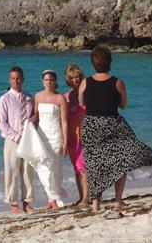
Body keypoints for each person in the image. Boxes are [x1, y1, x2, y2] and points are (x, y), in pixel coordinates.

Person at [79, 46, 152, 212]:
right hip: (112, 124)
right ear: (109, 62)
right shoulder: (117, 82)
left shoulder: (85, 82)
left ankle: (95, 204)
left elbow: (82, 103)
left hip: (91, 125)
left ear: (93, 63)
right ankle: (117, 200)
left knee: (94, 164)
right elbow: (123, 105)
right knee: (121, 160)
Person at [0, 66, 34, 214]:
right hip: (12, 140)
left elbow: (33, 117)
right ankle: (13, 204)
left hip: (28, 140)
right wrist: (16, 136)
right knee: (12, 171)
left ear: (23, 79)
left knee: (27, 171)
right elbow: (1, 122)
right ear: (9, 80)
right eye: (13, 78)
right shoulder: (4, 99)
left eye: (18, 78)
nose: (16, 81)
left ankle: (27, 202)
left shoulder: (29, 98)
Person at [32, 70, 68, 209]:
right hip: (42, 135)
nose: (49, 82)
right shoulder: (38, 96)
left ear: (55, 81)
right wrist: (29, 121)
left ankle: (54, 198)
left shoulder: (60, 98)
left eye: (51, 80)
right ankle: (52, 199)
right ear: (43, 81)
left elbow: (64, 121)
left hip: (56, 136)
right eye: (46, 80)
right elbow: (36, 115)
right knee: (43, 168)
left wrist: (65, 141)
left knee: (55, 169)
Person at [63, 64, 89, 206]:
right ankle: (82, 197)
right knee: (76, 168)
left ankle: (86, 198)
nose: (75, 80)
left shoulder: (87, 94)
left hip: (84, 135)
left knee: (83, 166)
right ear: (68, 79)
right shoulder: (66, 97)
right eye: (72, 78)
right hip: (71, 136)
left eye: (77, 77)